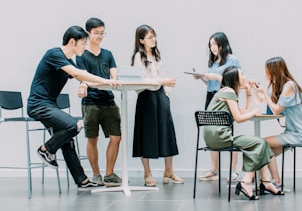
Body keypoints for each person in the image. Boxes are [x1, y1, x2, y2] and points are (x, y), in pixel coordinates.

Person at [27, 25, 121, 191]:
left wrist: (102, 83)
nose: (85, 47)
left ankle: (82, 180)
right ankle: (45, 150)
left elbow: (85, 79)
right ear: (72, 41)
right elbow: (78, 74)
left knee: (67, 141)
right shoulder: (54, 54)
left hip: (49, 105)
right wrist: (105, 80)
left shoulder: (68, 61)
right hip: (38, 104)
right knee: (74, 125)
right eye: (83, 43)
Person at [204, 66, 284, 200]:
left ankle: (266, 182)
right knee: (259, 143)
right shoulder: (229, 91)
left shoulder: (226, 92)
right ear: (234, 78)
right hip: (220, 136)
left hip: (214, 136)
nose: (245, 77)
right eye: (242, 74)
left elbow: (245, 110)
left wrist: (248, 93)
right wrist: (255, 111)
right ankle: (246, 183)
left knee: (261, 143)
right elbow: (239, 118)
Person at [131, 25, 184, 187]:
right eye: (149, 37)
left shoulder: (156, 55)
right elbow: (140, 81)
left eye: (154, 36)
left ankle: (169, 171)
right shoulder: (138, 57)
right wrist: (162, 82)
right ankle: (147, 173)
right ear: (141, 40)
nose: (153, 39)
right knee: (146, 135)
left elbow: (164, 75)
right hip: (146, 98)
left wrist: (166, 93)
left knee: (167, 133)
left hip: (161, 97)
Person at [254, 56, 302, 189]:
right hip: (292, 132)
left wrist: (264, 91)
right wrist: (254, 91)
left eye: (266, 70)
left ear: (274, 70)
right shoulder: (278, 86)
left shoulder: (289, 86)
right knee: (263, 152)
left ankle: (273, 181)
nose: (265, 74)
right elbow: (263, 102)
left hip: (301, 133)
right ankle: (273, 182)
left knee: (262, 143)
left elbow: (275, 110)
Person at [76, 18, 122, 187]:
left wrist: (109, 81)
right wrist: (85, 83)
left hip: (109, 101)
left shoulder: (108, 54)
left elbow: (113, 76)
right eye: (96, 33)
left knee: (116, 137)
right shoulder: (81, 55)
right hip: (91, 103)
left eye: (102, 33)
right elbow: (82, 76)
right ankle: (96, 174)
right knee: (92, 139)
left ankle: (109, 174)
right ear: (88, 33)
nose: (100, 36)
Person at [193, 32, 241, 182]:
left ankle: (233, 171)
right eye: (210, 44)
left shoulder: (233, 59)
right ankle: (214, 169)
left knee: (227, 131)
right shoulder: (213, 62)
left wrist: (215, 76)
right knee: (211, 131)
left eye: (214, 44)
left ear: (222, 44)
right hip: (212, 96)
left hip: (226, 96)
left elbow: (236, 80)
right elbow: (211, 84)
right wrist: (202, 77)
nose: (212, 47)